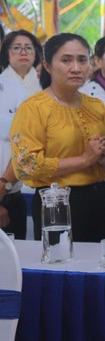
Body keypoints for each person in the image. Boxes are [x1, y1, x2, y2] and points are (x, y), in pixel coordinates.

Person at [11, 34, 105, 242]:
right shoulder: (33, 108)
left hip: (99, 197)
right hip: (56, 201)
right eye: (66, 60)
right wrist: (85, 160)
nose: (76, 68)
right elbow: (26, 166)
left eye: (82, 60)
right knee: (65, 268)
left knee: (102, 269)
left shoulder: (96, 106)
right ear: (47, 66)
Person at [0, 71, 27, 239]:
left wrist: (3, 186)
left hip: (12, 199)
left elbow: (26, 143)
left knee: (16, 262)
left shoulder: (14, 88)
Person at [0, 30, 42, 96]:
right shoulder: (1, 82)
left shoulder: (46, 82)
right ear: (6, 54)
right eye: (16, 48)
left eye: (28, 48)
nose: (23, 53)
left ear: (35, 55)